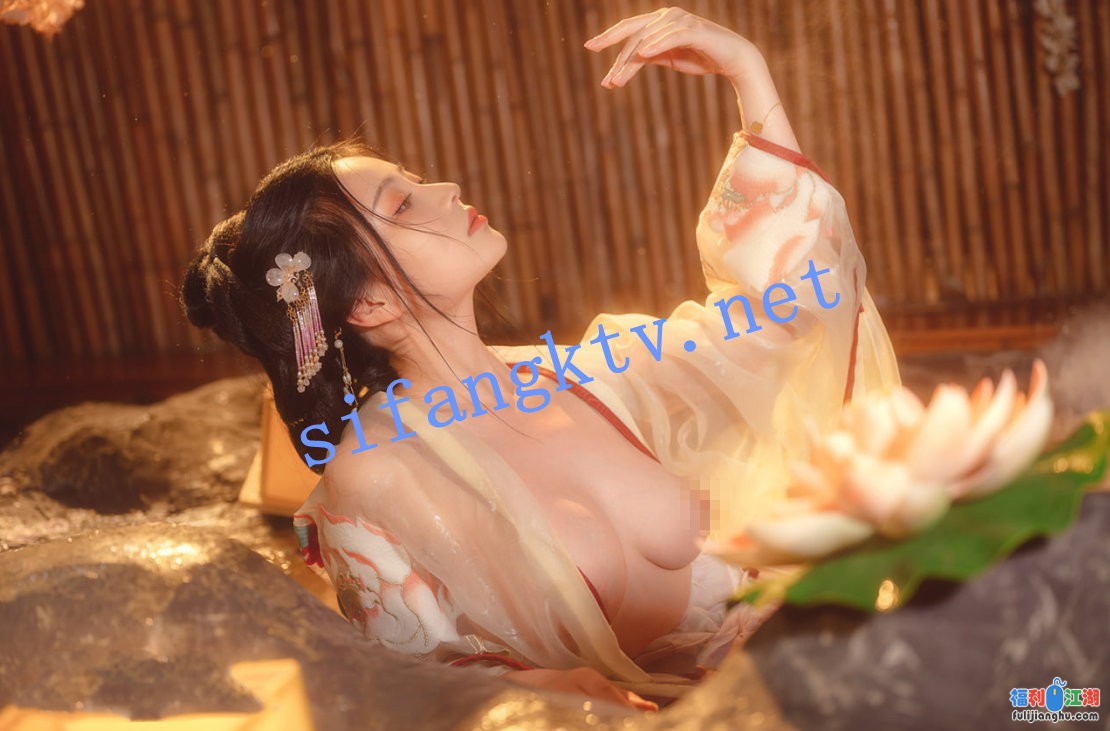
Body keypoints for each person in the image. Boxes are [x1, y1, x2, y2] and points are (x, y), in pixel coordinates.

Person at [180, 6, 900, 712]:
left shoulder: (583, 373)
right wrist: (542, 689)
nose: (444, 190)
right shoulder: (375, 472)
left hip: (802, 658)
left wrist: (747, 72)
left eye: (415, 180)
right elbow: (415, 684)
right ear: (367, 304)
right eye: (402, 205)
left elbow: (788, 314)